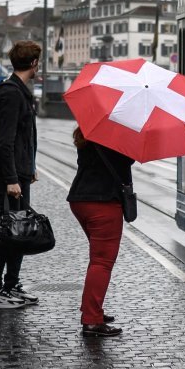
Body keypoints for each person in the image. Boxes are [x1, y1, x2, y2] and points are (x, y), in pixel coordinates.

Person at [0, 40, 41, 309]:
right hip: (8, 176)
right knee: (6, 233)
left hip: (19, 171)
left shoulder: (19, 91)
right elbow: (5, 141)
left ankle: (10, 286)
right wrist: (11, 179)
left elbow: (20, 139)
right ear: (34, 63)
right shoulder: (11, 94)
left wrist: (29, 166)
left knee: (18, 231)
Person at [68, 127, 134, 337]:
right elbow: (124, 162)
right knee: (102, 262)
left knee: (97, 258)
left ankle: (92, 310)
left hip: (80, 200)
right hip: (103, 203)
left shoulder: (86, 131)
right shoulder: (118, 133)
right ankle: (92, 320)